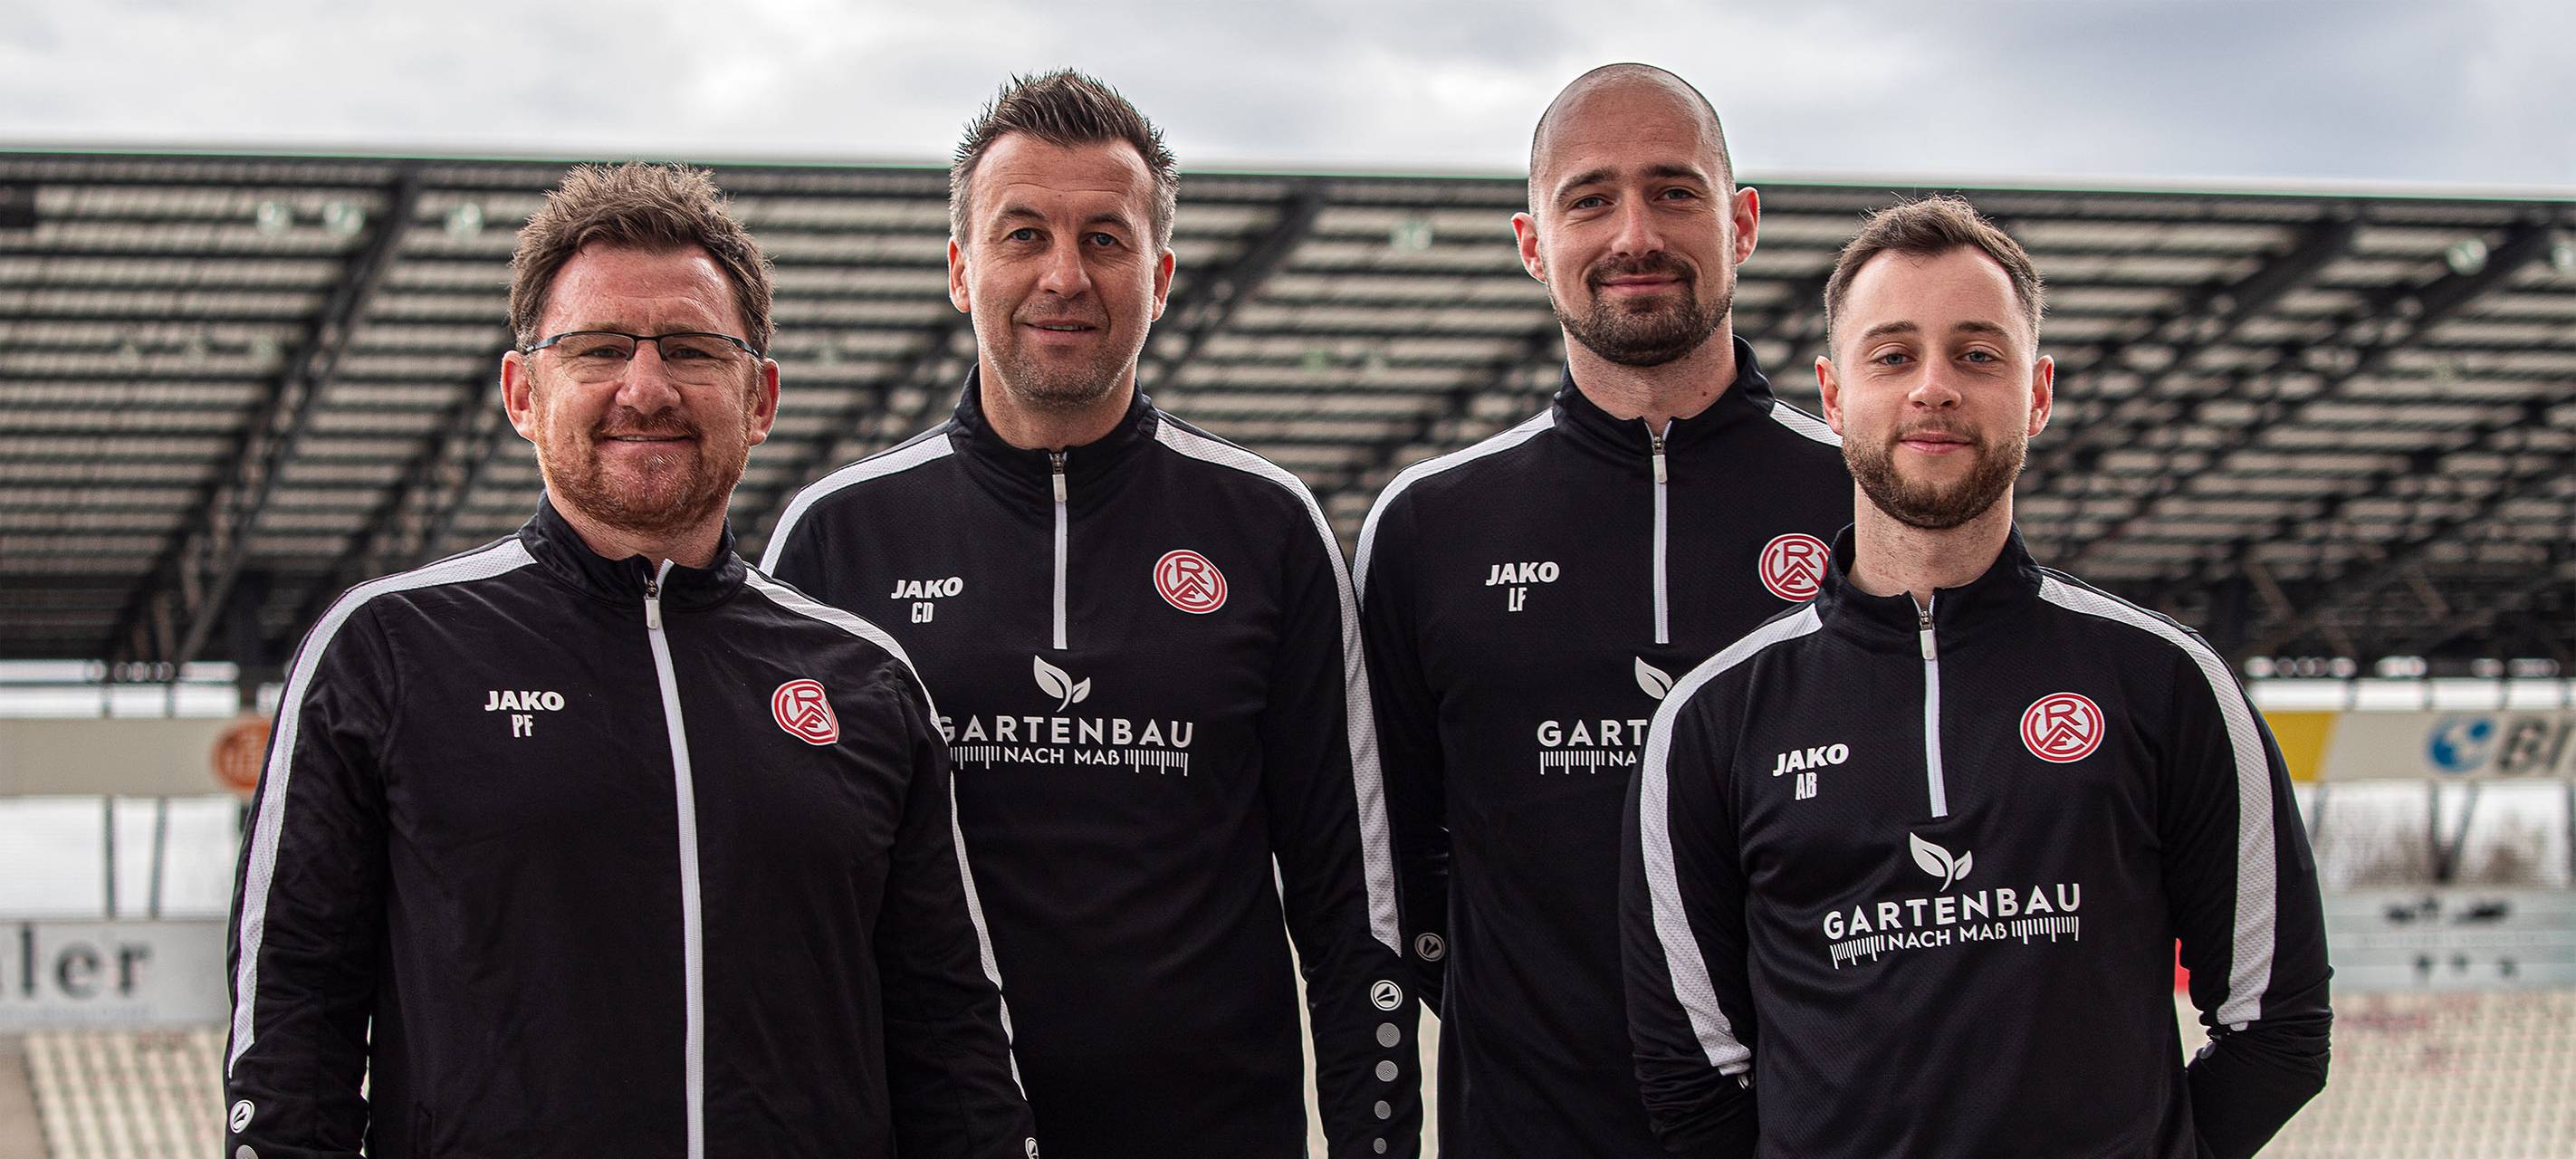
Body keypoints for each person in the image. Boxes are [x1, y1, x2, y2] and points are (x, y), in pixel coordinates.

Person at [222, 162, 1034, 1159]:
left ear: (760, 395)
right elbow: (291, 1024)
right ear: (523, 391)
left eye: (691, 350)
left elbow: (950, 1038)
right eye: (599, 348)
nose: (645, 388)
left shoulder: (865, 680)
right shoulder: (384, 649)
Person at [761, 71, 1420, 1159]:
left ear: (1159, 276)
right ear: (961, 266)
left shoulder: (1268, 527)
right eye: (1023, 234)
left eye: (1104, 239)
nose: (1062, 275)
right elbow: (781, 911)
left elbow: (1353, 906)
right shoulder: (839, 538)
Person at [1623, 196, 2332, 1157]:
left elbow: (2276, 1025)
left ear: (2037, 392)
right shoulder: (1713, 719)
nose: (1934, 388)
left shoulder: (2165, 680)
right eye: (1893, 354)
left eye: (1977, 354)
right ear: (1832, 397)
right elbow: (1692, 1072)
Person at [1355, 63, 1847, 1156]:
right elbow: (1392, 857)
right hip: (1527, 1123)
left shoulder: (1863, 497)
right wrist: (1512, 1007)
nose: (1634, 232)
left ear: (1742, 222)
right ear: (1533, 241)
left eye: (1674, 191)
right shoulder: (1430, 523)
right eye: (1588, 199)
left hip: (1826, 1123)